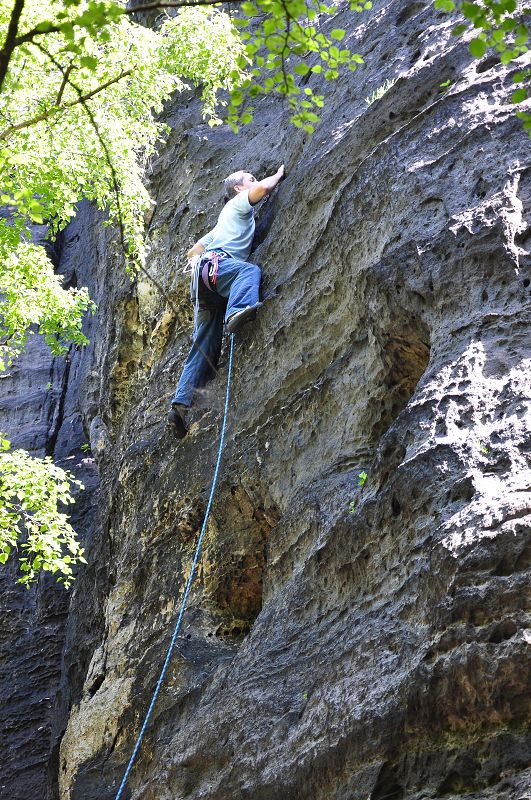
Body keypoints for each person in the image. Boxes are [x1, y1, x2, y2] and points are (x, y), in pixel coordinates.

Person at [168, 165, 285, 438]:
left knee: (206, 343)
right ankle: (238, 310)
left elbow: (192, 251)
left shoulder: (222, 224)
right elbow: (265, 189)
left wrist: (202, 257)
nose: (255, 181)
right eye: (250, 179)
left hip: (204, 279)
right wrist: (277, 176)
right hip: (219, 270)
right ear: (238, 188)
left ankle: (181, 403)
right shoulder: (236, 205)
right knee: (249, 271)